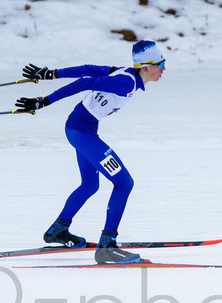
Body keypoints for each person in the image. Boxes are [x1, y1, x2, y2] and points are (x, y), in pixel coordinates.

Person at [16, 40, 166, 264]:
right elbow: (84, 82)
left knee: (89, 185)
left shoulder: (124, 73)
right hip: (83, 133)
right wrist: (44, 101)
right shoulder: (125, 83)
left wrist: (51, 73)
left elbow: (87, 69)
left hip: (80, 129)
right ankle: (107, 246)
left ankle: (58, 230)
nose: (164, 69)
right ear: (146, 67)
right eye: (161, 64)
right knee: (124, 183)